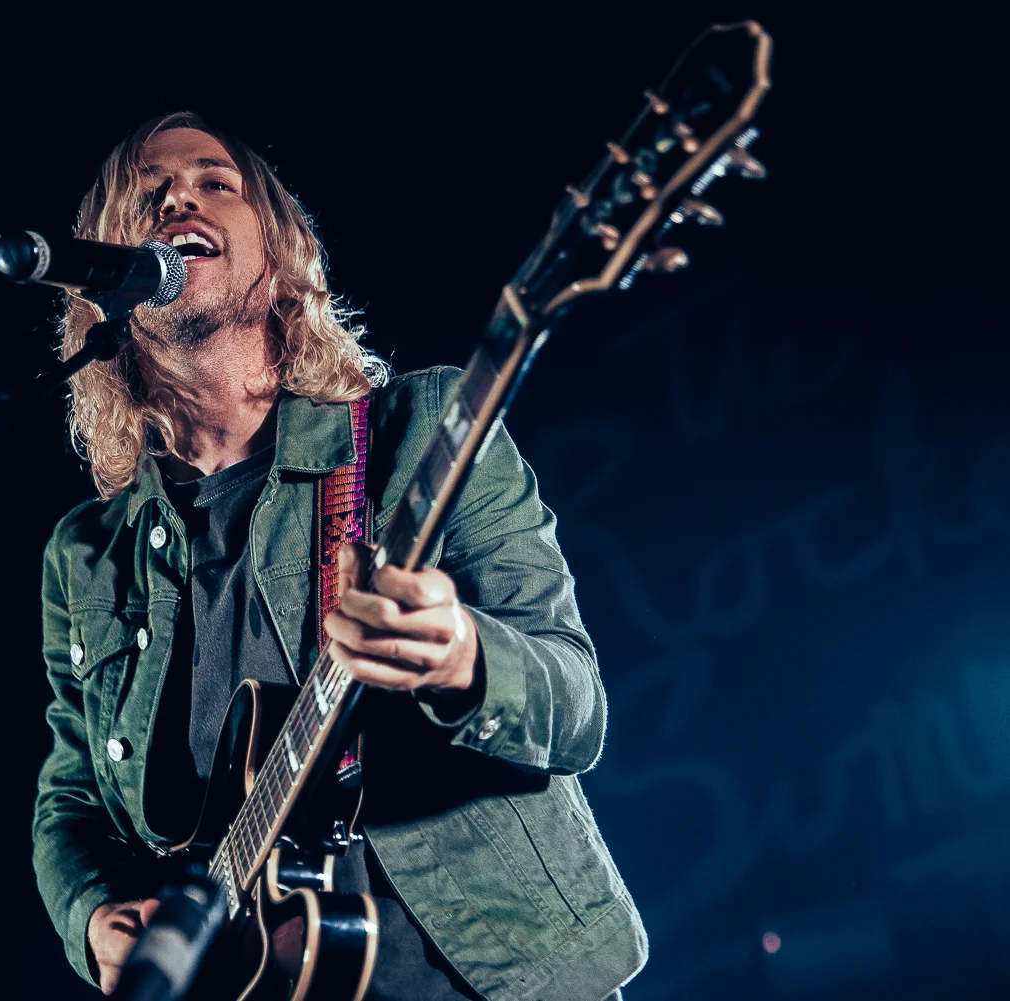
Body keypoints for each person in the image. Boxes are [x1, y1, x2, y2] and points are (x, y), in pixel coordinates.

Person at [32, 111, 647, 1001]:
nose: (178, 202)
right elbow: (72, 798)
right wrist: (92, 915)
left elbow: (577, 707)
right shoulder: (87, 555)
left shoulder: (419, 434)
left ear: (278, 251)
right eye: (147, 196)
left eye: (213, 183)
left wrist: (464, 659)